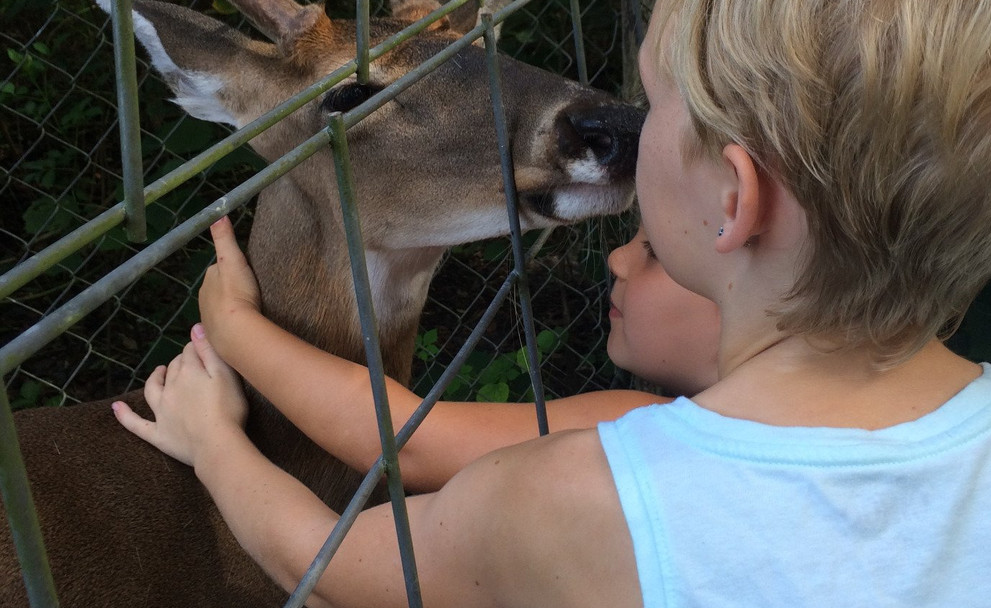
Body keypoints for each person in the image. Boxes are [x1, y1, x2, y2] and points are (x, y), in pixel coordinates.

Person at [115, 0, 991, 608]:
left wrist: (215, 432)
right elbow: (408, 436)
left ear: (734, 202)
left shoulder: (576, 497)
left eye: (654, 104)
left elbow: (324, 560)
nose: (616, 114)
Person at [116, 217, 720, 494]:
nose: (616, 257)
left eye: (655, 252)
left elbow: (404, 442)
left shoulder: (646, 425)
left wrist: (232, 331)